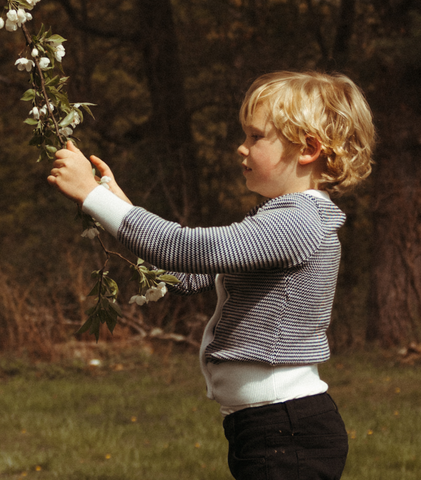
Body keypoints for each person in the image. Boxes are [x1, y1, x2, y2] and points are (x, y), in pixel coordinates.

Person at [48, 70, 375, 480]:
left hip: (287, 430)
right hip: (265, 428)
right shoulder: (281, 220)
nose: (241, 148)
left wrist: (96, 199)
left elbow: (194, 249)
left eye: (256, 137)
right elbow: (186, 274)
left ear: (307, 149)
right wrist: (117, 208)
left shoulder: (301, 221)